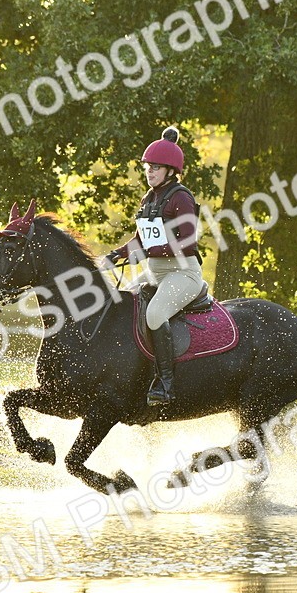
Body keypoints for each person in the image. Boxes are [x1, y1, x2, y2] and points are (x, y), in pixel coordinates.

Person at [102, 126, 204, 406]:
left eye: (156, 167)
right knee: (121, 307)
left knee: (156, 313)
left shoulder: (181, 197)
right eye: (147, 167)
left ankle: (166, 383)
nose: (150, 172)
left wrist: (149, 251)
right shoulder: (150, 198)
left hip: (183, 273)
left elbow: (187, 242)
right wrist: (113, 256)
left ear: (171, 170)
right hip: (155, 273)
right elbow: (140, 241)